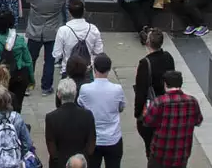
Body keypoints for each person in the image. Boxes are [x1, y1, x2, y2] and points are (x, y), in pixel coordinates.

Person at [140, 71, 203, 168]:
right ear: (180, 83)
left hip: (161, 153)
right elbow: (198, 121)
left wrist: (146, 111)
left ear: (165, 84)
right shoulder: (192, 101)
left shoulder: (159, 102)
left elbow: (147, 122)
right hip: (182, 152)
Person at [133, 30, 175, 162]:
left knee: (151, 147)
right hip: (167, 107)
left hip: (152, 109)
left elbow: (141, 91)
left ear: (147, 42)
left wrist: (138, 113)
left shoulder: (145, 63)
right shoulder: (168, 57)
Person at [78, 53, 125, 168]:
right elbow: (121, 108)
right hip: (113, 138)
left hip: (93, 140)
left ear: (94, 68)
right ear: (109, 69)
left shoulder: (85, 89)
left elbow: (81, 106)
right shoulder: (117, 89)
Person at [45, 80, 95, 168]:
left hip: (59, 163)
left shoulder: (51, 117)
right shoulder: (87, 115)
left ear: (59, 95)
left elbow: (51, 144)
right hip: (81, 163)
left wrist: (58, 161)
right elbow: (91, 142)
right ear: (75, 94)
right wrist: (84, 158)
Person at [53, 1, 103, 74]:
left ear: (69, 13)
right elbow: (99, 51)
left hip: (68, 71)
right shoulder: (93, 29)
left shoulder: (63, 30)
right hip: (87, 71)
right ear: (84, 11)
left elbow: (57, 54)